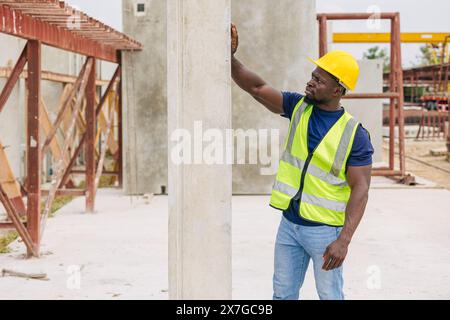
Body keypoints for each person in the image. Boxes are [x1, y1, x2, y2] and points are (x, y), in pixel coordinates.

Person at [230, 23, 373, 300]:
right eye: (312, 76)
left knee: (329, 296)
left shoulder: (355, 134)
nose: (310, 82)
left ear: (337, 91)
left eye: (319, 80)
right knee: (282, 295)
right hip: (290, 224)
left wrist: (343, 240)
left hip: (324, 233)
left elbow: (361, 189)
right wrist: (230, 57)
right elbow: (257, 88)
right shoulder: (299, 107)